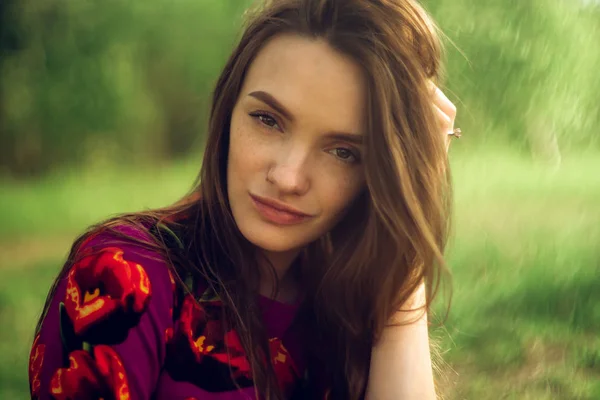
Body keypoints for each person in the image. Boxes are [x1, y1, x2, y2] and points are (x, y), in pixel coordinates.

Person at [28, 0, 459, 399]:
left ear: (379, 173)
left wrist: (408, 240)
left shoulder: (351, 309)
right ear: (228, 110)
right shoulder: (125, 277)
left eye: (343, 151)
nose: (288, 177)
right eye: (268, 120)